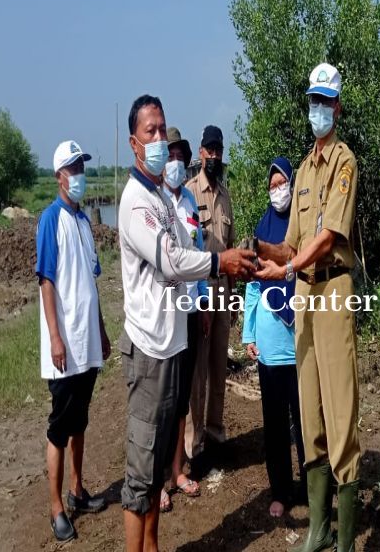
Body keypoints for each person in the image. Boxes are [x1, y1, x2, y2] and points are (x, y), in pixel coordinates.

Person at [118, 95, 255, 552]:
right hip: (149, 350)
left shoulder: (162, 198)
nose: (159, 139)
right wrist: (223, 260)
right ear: (134, 143)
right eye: (150, 132)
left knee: (158, 465)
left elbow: (189, 244)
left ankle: (152, 545)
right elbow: (173, 259)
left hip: (173, 343)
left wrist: (229, 262)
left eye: (163, 129)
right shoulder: (137, 201)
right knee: (140, 472)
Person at [255, 62, 361, 552]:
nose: (318, 109)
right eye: (312, 100)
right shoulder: (299, 170)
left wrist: (288, 264)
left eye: (325, 101)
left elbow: (327, 237)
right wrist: (257, 254)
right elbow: (293, 241)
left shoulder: (344, 162)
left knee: (341, 409)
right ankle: (318, 530)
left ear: (337, 106)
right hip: (303, 294)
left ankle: (343, 540)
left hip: (332, 289)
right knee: (311, 410)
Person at [35, 140, 111, 542]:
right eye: (73, 168)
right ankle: (56, 507)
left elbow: (90, 284)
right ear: (59, 176)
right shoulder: (51, 219)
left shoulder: (83, 223)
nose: (79, 174)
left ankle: (78, 490)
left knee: (80, 419)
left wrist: (100, 329)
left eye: (82, 166)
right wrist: (55, 337)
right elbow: (47, 280)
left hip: (87, 343)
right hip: (65, 345)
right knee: (59, 428)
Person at [242, 157, 306, 518]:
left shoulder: (301, 230)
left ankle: (311, 483)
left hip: (299, 342)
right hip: (269, 343)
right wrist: (249, 332)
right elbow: (253, 288)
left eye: (282, 183)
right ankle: (281, 490)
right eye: (272, 186)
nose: (277, 191)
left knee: (307, 421)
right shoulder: (262, 230)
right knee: (276, 424)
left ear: (293, 185)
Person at [158, 126, 209, 511]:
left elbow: (201, 252)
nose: (176, 161)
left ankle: (177, 469)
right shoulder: (155, 201)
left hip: (190, 309)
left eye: (180, 155)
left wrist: (205, 304)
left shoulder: (191, 201)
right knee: (162, 398)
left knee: (182, 400)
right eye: (170, 154)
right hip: (165, 314)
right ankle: (157, 478)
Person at [184, 124, 235, 473]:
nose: (214, 155)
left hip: (224, 292)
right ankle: (194, 442)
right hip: (201, 293)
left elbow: (230, 250)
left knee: (219, 367)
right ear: (200, 152)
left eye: (218, 149)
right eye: (209, 149)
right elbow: (188, 251)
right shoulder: (189, 194)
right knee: (197, 372)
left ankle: (216, 434)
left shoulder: (227, 196)